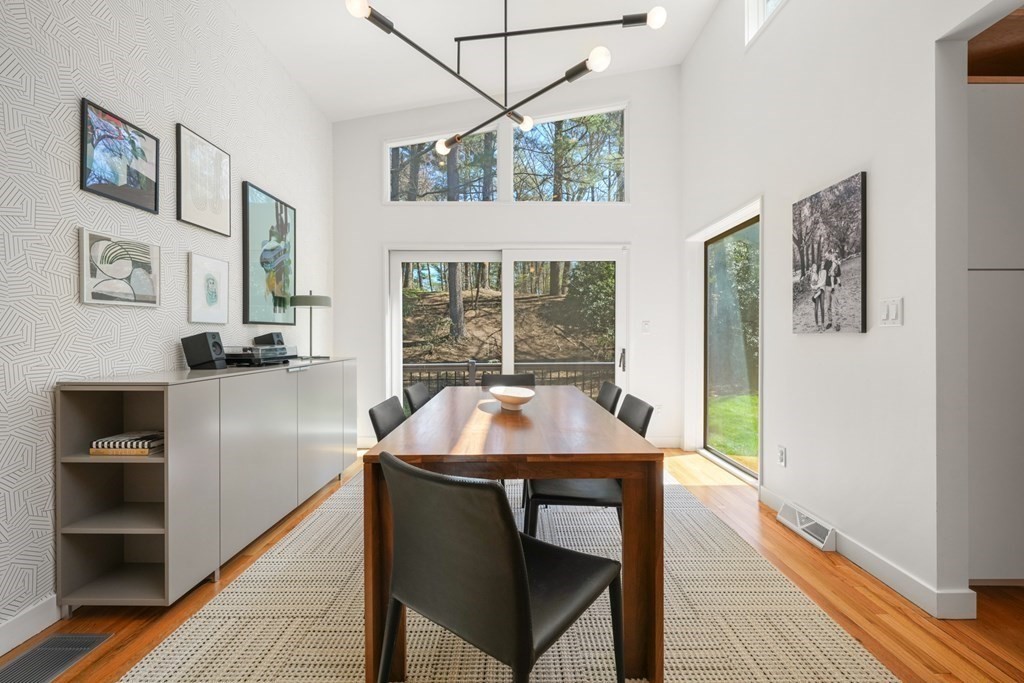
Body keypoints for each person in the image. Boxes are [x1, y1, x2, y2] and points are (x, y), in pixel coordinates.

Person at [823, 251, 842, 331]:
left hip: (835, 286)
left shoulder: (836, 262)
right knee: (828, 306)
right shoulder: (826, 262)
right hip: (827, 287)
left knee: (836, 305)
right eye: (825, 256)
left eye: (827, 255)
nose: (826, 256)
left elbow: (839, 274)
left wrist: (834, 271)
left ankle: (838, 323)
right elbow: (823, 274)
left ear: (830, 254)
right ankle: (830, 322)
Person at [809, 263, 825, 332]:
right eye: (814, 268)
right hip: (815, 292)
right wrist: (812, 286)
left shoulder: (820, 273)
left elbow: (822, 282)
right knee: (816, 308)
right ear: (812, 269)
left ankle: (823, 324)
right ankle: (816, 324)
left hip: (821, 291)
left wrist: (817, 286)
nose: (815, 269)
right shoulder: (813, 274)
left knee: (822, 307)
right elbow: (811, 283)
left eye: (816, 268)